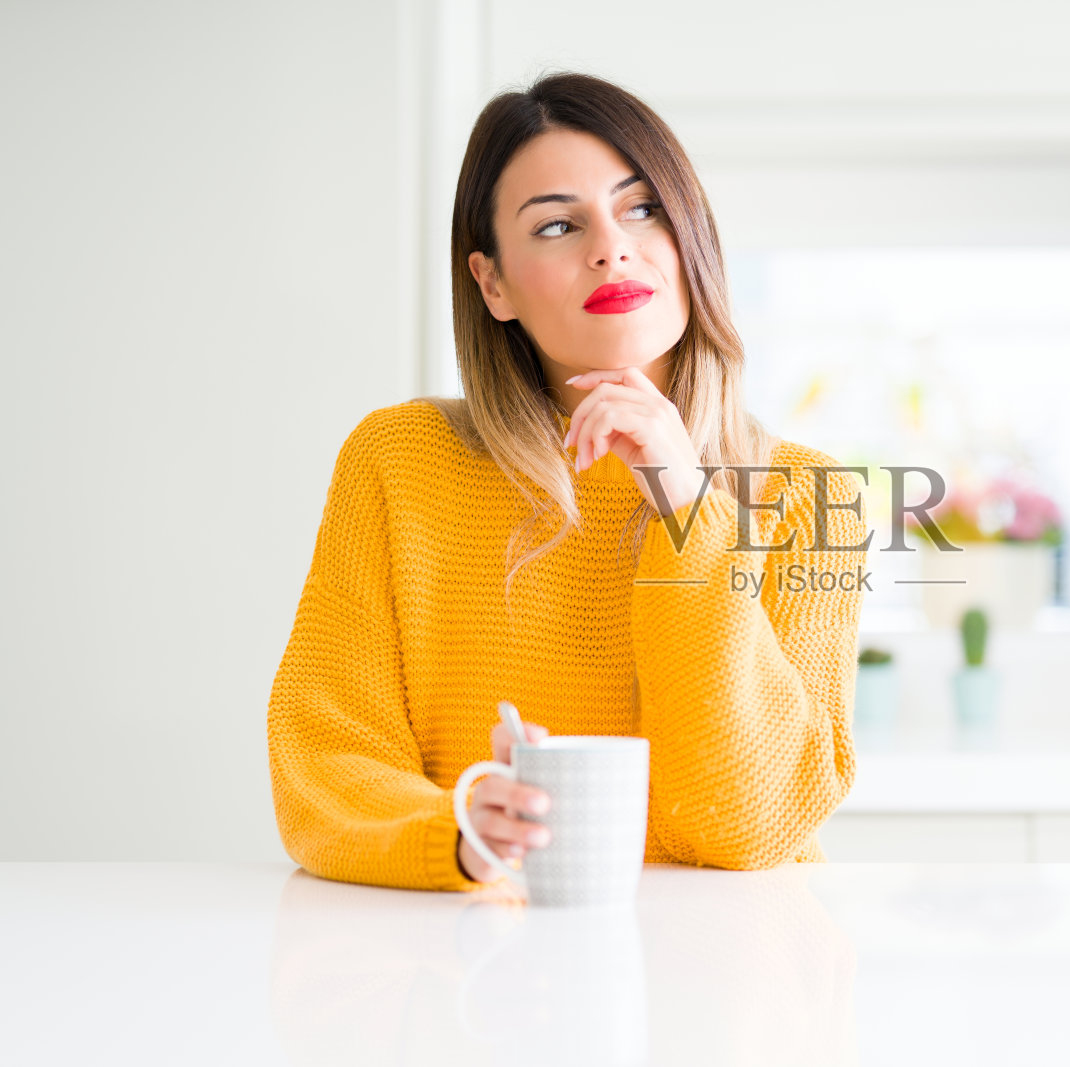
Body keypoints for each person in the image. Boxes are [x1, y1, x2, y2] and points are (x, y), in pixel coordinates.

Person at [267, 72, 869, 890]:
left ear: (688, 236)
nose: (610, 247)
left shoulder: (809, 497)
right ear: (493, 284)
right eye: (557, 224)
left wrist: (689, 505)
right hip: (479, 970)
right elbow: (326, 759)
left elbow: (749, 823)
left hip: (732, 977)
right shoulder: (397, 461)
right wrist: (458, 831)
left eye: (642, 208)